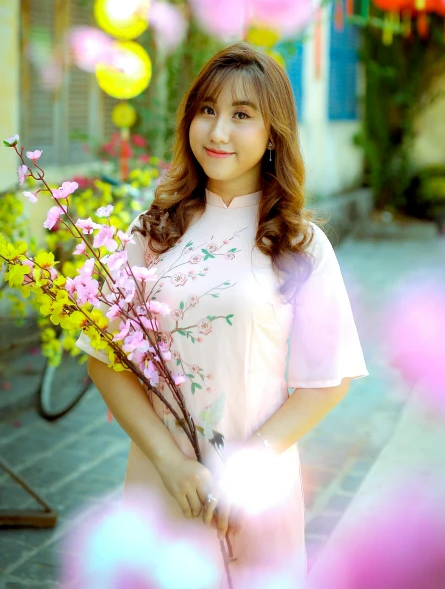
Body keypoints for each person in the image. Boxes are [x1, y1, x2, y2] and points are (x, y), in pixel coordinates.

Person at [76, 42, 369, 587]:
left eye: (241, 116)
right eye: (206, 110)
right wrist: (170, 462)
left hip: (255, 491)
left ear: (273, 133)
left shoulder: (301, 246)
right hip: (164, 484)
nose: (217, 132)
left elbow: (327, 381)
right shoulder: (154, 234)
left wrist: (244, 469)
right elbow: (106, 360)